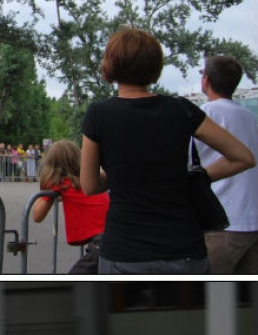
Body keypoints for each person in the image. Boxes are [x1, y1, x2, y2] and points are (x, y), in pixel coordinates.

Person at [80, 28, 255, 274]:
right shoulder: (182, 110)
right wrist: (199, 176)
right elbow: (244, 157)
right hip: (184, 250)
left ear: (110, 65)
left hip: (124, 250)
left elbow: (89, 185)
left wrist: (126, 173)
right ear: (156, 66)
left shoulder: (98, 114)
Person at [195, 55, 258, 274]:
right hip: (252, 221)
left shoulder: (204, 115)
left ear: (206, 81)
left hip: (222, 223)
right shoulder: (248, 116)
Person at [33, 139, 109, 273]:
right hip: (113, 235)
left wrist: (46, 192)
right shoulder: (88, 181)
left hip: (101, 242)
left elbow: (37, 215)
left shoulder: (59, 183)